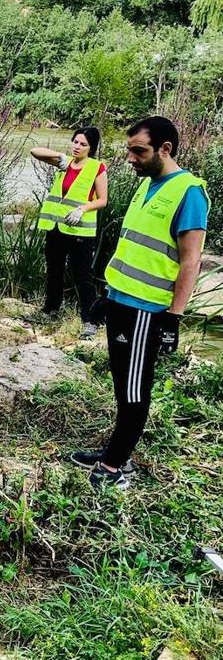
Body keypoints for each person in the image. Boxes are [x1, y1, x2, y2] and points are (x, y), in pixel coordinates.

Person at [72, 116, 210, 489]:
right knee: (121, 381)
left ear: (165, 149)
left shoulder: (188, 192)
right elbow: (134, 248)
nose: (130, 158)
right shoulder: (146, 185)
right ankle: (114, 449)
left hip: (148, 310)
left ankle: (117, 466)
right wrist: (106, 296)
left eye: (139, 151)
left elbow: (190, 260)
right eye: (129, 150)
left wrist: (173, 318)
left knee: (135, 387)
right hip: (122, 301)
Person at [31, 127, 108, 338]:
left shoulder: (96, 167)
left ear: (91, 148)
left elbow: (103, 199)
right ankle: (50, 310)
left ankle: (90, 321)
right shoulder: (65, 163)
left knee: (83, 276)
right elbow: (34, 151)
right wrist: (60, 157)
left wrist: (82, 209)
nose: (77, 147)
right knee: (54, 270)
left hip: (80, 230)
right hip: (56, 227)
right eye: (75, 142)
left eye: (83, 144)